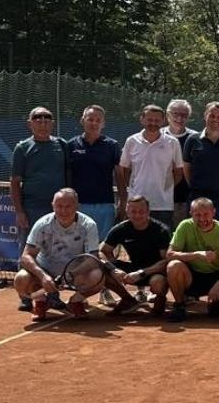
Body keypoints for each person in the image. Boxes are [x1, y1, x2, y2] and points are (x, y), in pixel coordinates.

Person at [13, 188, 99, 320]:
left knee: (97, 277)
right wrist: (43, 276)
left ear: (77, 206)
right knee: (21, 279)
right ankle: (41, 302)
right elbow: (26, 256)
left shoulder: (88, 225)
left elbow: (93, 258)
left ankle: (75, 302)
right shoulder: (42, 224)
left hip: (75, 273)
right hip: (46, 271)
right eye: (59, 206)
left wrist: (72, 274)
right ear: (53, 206)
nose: (63, 211)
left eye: (68, 206)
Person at [164, 196, 219, 321]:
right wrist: (198, 254)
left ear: (214, 212)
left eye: (206, 214)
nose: (202, 219)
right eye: (197, 215)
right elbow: (169, 254)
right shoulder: (184, 226)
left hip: (216, 276)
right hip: (192, 276)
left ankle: (215, 301)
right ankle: (179, 306)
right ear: (191, 213)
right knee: (173, 265)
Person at [101, 195, 172, 316]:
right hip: (132, 268)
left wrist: (142, 273)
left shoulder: (161, 230)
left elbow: (166, 261)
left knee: (158, 282)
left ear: (148, 212)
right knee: (103, 270)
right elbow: (102, 251)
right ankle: (127, 299)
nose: (137, 215)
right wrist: (115, 269)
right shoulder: (121, 228)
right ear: (127, 211)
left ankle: (160, 300)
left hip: (155, 271)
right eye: (133, 212)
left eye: (141, 212)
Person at [117, 105, 185, 230]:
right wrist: (133, 187)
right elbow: (125, 170)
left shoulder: (172, 143)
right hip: (136, 205)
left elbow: (178, 172)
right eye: (149, 120)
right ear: (142, 119)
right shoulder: (131, 141)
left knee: (162, 244)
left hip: (163, 205)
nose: (153, 123)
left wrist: (165, 188)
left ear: (163, 121)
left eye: (157, 120)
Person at [10, 106, 67, 237]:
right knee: (30, 249)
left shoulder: (62, 144)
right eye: (38, 120)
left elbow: (69, 174)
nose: (43, 124)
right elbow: (14, 182)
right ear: (29, 124)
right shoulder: (22, 148)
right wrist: (19, 212)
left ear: (52, 124)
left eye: (47, 120)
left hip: (61, 209)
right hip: (32, 209)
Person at [66, 105, 120, 237]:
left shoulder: (112, 145)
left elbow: (120, 176)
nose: (94, 123)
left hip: (105, 205)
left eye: (98, 120)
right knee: (78, 245)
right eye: (90, 119)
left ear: (103, 123)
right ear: (82, 120)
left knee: (102, 246)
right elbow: (67, 175)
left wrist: (123, 202)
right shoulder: (71, 145)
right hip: (78, 205)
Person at [164, 99, 198, 223]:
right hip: (160, 199)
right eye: (175, 114)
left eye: (184, 115)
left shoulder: (196, 138)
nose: (179, 118)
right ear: (167, 115)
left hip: (185, 198)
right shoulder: (158, 136)